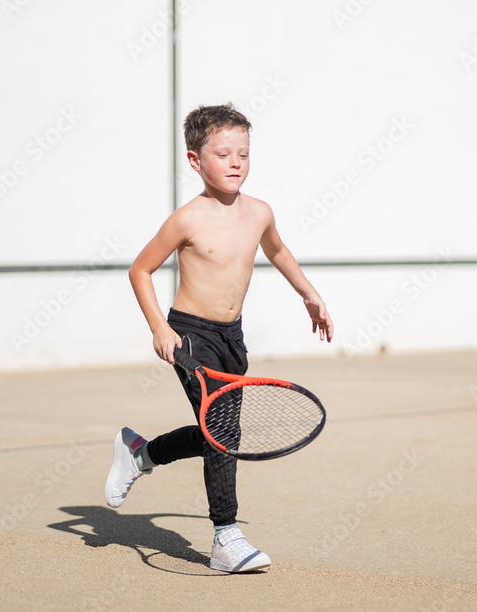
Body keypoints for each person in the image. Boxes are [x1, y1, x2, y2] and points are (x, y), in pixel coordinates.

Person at [105, 103, 333, 573]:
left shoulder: (260, 213)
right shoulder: (187, 219)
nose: (236, 163)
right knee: (224, 432)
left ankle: (141, 454)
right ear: (195, 161)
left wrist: (309, 294)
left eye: (244, 154)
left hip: (232, 337)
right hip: (190, 335)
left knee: (217, 433)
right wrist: (159, 328)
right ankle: (226, 539)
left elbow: (279, 251)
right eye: (224, 153)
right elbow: (140, 269)